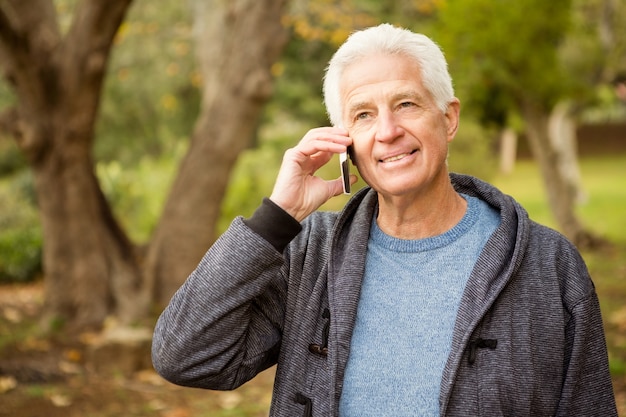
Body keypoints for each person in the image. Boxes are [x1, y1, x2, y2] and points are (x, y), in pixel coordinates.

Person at [152, 24, 617, 416]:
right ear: (344, 140)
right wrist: (279, 217)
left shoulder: (547, 261)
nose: (388, 131)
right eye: (364, 115)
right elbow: (184, 356)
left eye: (407, 104)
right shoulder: (311, 253)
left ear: (448, 118)